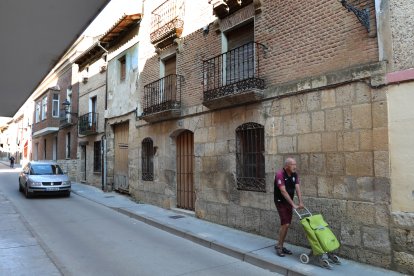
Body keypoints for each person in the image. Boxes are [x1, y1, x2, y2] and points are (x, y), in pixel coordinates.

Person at [274, 157, 304, 257]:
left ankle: (280, 245)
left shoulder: (294, 174)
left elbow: (298, 188)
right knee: (285, 224)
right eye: (293, 164)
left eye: (295, 164)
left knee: (286, 225)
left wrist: (300, 202)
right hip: (280, 202)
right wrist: (293, 204)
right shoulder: (280, 174)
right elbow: (283, 191)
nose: (295, 167)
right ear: (287, 166)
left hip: (288, 202)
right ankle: (279, 246)